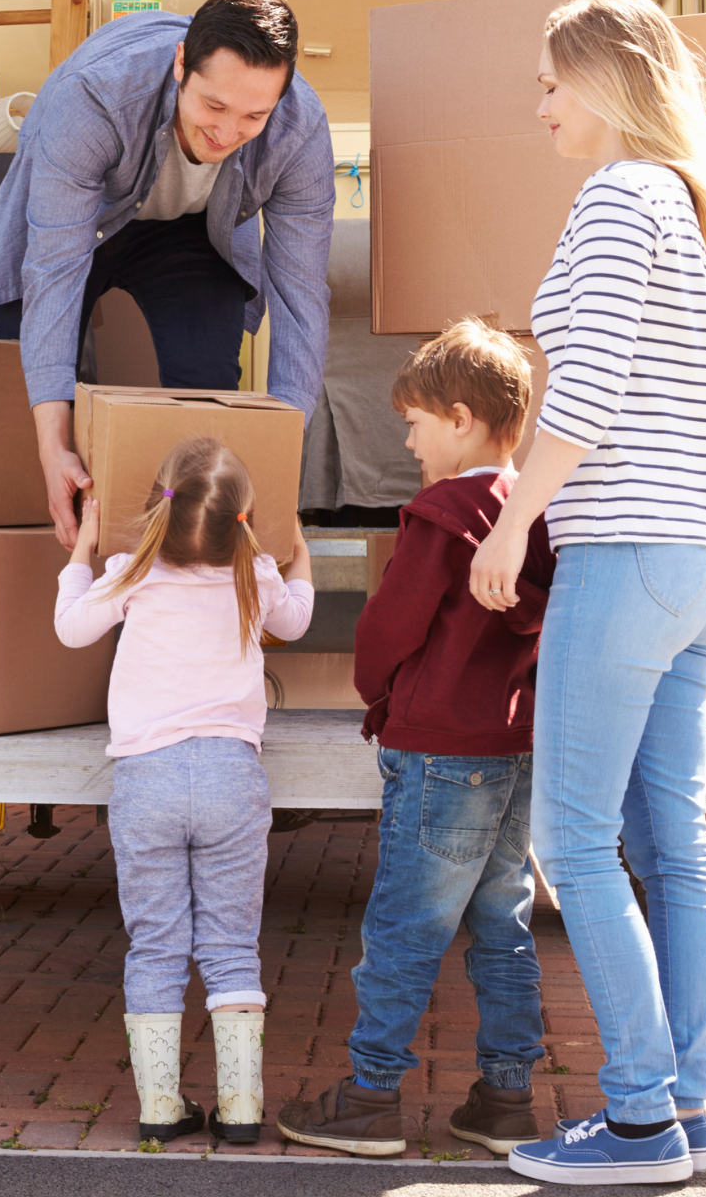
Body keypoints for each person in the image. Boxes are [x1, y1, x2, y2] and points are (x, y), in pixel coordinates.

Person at [468, 0, 706, 1185]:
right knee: (671, 849)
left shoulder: (613, 198)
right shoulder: (684, 208)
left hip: (628, 553)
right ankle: (679, 1111)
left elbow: (581, 393)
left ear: (601, 77)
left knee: (571, 840)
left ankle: (638, 1118)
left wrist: (511, 525)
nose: (538, 107)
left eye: (548, 83)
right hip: (701, 565)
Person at [277, 320, 557, 1159]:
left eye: (414, 421)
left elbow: (387, 629)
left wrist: (380, 695)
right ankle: (506, 1100)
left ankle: (367, 1098)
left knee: (403, 928)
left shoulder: (440, 515)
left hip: (438, 752)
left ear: (461, 420)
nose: (405, 437)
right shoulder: (531, 514)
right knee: (503, 926)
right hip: (513, 750)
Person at [0, 0, 336, 549]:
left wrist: (277, 467)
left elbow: (300, 297)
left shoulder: (300, 130)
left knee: (207, 398)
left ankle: (182, 581)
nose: (226, 132)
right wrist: (53, 444)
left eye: (253, 116)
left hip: (191, 232)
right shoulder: (94, 98)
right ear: (180, 66)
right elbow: (53, 269)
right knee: (26, 423)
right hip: (76, 222)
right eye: (214, 106)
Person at [53, 437, 315, 1145]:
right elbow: (297, 620)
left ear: (156, 510)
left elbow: (71, 628)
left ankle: (162, 1106)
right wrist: (298, 554)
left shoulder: (131, 573)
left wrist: (80, 551)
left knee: (157, 945)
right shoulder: (254, 575)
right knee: (232, 944)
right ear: (246, 519)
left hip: (148, 780)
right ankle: (240, 1107)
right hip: (233, 777)